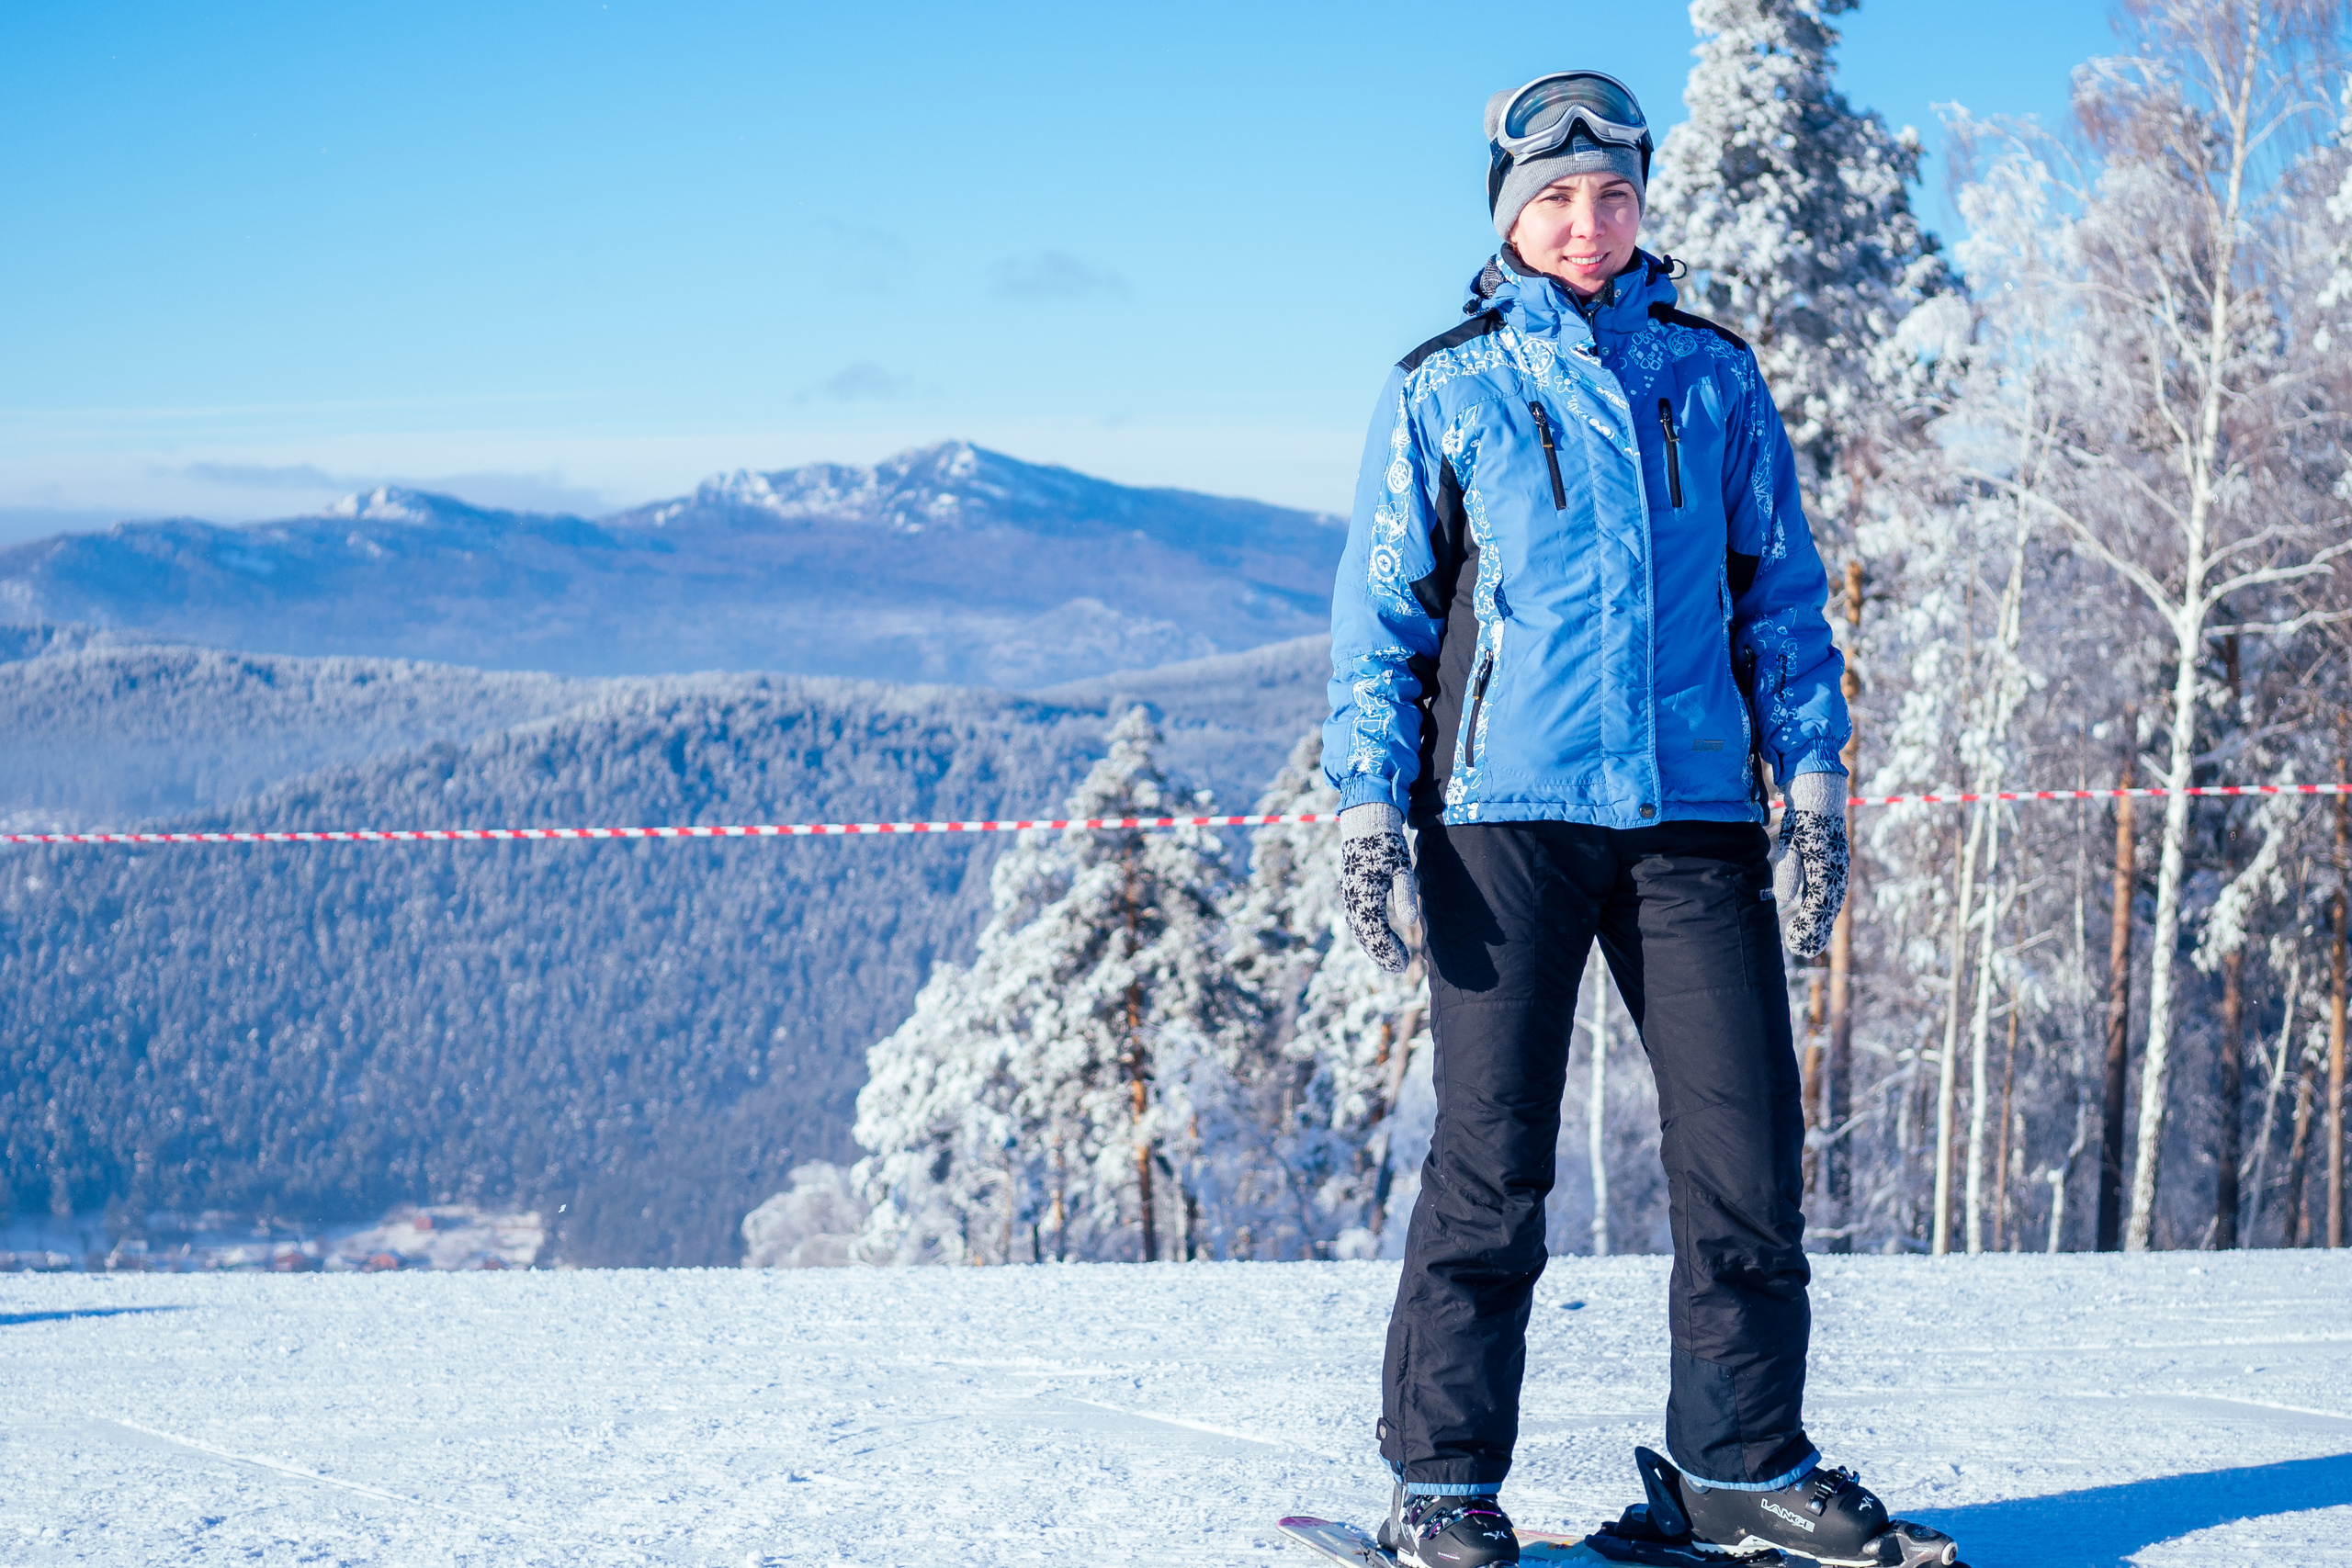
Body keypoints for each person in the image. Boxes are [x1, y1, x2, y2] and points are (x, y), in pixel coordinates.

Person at [1323, 71, 1952, 1568]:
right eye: (1554, 199)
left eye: (1613, 195)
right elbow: (1384, 627)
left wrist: (1810, 781)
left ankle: (1740, 1465)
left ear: (1643, 202)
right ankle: (1444, 1486)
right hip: (1501, 822)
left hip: (1694, 820)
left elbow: (1783, 602)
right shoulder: (1445, 386)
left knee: (1745, 1154)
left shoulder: (1713, 379)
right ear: (1509, 213)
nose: (1588, 224)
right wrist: (1365, 807)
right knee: (1495, 1161)